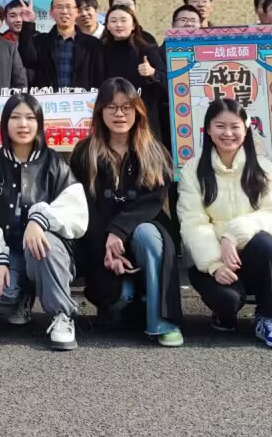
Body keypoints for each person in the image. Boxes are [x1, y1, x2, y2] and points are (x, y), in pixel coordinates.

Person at [70, 78, 183, 346]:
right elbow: (83, 205)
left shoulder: (154, 151)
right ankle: (128, 297)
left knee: (147, 234)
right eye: (111, 107)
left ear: (137, 110)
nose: (119, 114)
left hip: (143, 232)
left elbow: (152, 202)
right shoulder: (85, 152)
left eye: (126, 107)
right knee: (119, 298)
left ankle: (163, 323)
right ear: (100, 111)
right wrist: (107, 245)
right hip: (99, 241)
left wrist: (118, 231)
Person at [0, 94, 87, 350]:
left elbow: (76, 210)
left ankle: (61, 315)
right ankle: (21, 296)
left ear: (39, 123)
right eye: (15, 117)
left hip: (46, 252)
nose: (22, 124)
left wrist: (40, 219)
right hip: (9, 251)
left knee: (44, 244)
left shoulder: (55, 163)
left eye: (30, 118)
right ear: (5, 123)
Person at [178, 98, 272, 348]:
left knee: (267, 244)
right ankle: (224, 313)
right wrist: (215, 265)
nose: (228, 133)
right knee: (227, 301)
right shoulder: (192, 171)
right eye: (220, 126)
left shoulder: (264, 168)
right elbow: (193, 223)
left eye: (235, 126)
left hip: (252, 257)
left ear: (246, 129)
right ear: (208, 129)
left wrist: (232, 235)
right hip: (211, 261)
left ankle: (268, 318)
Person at [98, 6, 170, 148]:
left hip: (144, 119)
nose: (118, 25)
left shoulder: (147, 49)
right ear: (107, 26)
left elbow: (170, 83)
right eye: (113, 21)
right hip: (112, 117)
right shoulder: (101, 51)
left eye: (123, 20)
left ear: (133, 25)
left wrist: (153, 73)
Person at [17, 0, 104, 90]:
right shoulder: (40, 41)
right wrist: (28, 24)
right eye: (59, 7)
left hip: (83, 98)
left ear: (76, 12)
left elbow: (99, 77)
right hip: (49, 98)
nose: (64, 11)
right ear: (51, 13)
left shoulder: (93, 44)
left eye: (68, 7)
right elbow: (27, 61)